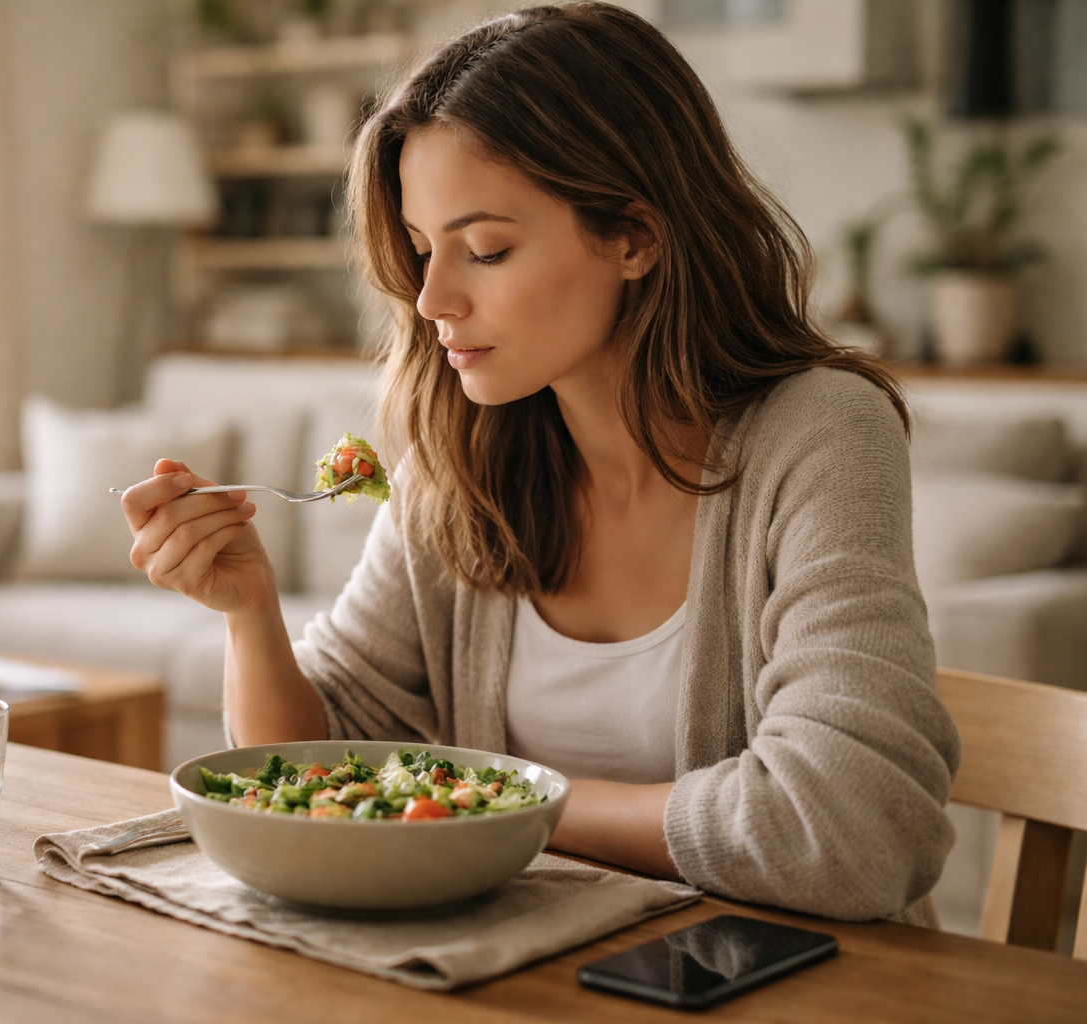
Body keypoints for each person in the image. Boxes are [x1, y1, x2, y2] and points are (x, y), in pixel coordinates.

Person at [119, 2, 959, 924]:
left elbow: (848, 834)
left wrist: (503, 806)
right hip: (536, 973)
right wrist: (250, 614)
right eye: (422, 250)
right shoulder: (463, 456)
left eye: (487, 249)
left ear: (635, 237)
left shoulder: (819, 433)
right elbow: (319, 769)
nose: (434, 298)